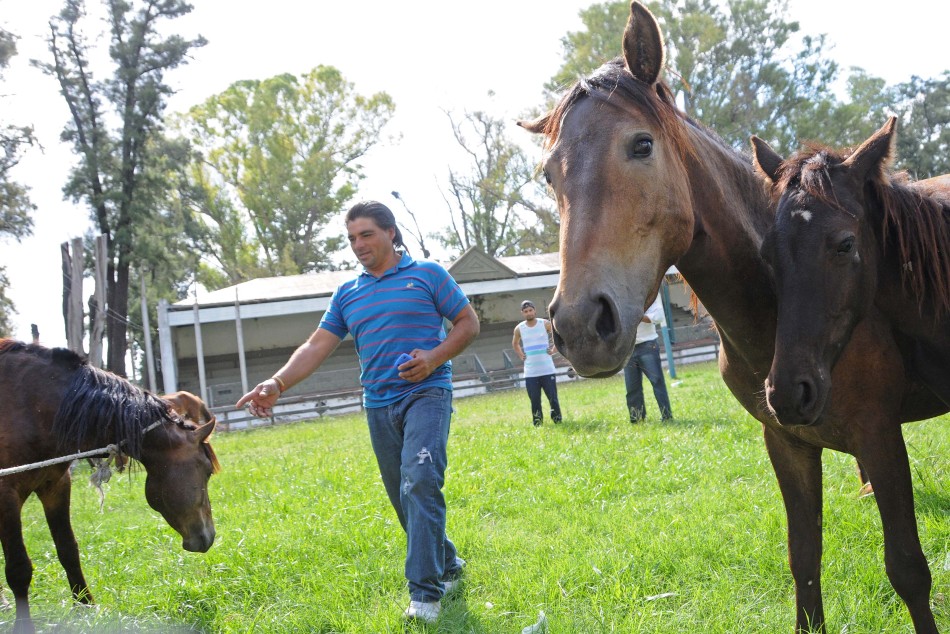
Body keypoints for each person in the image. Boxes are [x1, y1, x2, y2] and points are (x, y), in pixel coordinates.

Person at [236, 201, 480, 624]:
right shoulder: (349, 293)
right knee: (403, 497)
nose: (358, 245)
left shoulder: (428, 275)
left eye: (366, 234)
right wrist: (276, 383)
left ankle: (425, 597)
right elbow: (316, 345)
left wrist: (435, 357)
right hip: (378, 404)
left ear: (390, 233)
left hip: (427, 394)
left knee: (420, 481)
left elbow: (467, 322)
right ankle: (450, 565)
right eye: (351, 238)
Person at [512, 299, 562, 426]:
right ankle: (538, 423)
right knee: (534, 400)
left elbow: (557, 335)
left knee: (553, 398)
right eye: (526, 311)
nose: (529, 313)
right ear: (522, 313)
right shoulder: (519, 328)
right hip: (530, 372)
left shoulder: (544, 323)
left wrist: (553, 349)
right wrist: (521, 354)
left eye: (530, 310)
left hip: (547, 369)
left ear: (535, 310)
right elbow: (515, 343)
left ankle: (557, 420)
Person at [624, 295, 673, 423]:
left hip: (648, 345)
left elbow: (659, 316)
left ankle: (666, 417)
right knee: (632, 387)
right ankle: (637, 419)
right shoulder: (622, 294)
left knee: (657, 383)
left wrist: (637, 316)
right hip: (628, 349)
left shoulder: (649, 294)